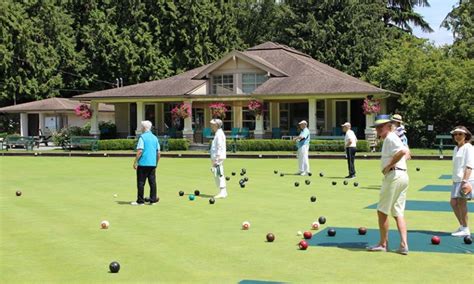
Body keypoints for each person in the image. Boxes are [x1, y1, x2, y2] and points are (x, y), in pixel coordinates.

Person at [367, 114, 410, 255]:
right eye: (377, 127)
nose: (378, 129)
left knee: (382, 210)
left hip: (394, 176)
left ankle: (383, 244)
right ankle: (404, 245)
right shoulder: (391, 138)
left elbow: (403, 152)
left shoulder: (391, 137)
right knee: (398, 212)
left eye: (381, 126)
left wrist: (389, 165)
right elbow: (406, 151)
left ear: (389, 126)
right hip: (402, 175)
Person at [449, 126, 473, 237]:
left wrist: (465, 181)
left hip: (465, 180)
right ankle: (463, 226)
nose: (457, 136)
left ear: (465, 136)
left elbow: (469, 166)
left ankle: (465, 229)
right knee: (453, 203)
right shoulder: (456, 148)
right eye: (456, 134)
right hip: (456, 180)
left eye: (460, 134)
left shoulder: (469, 147)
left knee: (462, 203)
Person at [132, 120, 160, 205]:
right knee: (152, 183)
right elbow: (158, 153)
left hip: (143, 164)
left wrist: (135, 162)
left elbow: (140, 151)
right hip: (152, 164)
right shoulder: (155, 138)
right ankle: (153, 200)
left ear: (144, 128)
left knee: (141, 182)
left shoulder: (142, 137)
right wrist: (156, 163)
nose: (141, 128)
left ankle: (140, 201)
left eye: (141, 127)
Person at [210, 118, 227, 199]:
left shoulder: (219, 134)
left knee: (219, 173)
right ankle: (223, 191)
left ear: (216, 125)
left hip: (218, 157)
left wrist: (217, 159)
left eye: (212, 124)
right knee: (217, 173)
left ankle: (223, 192)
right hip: (217, 157)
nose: (211, 126)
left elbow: (219, 147)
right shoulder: (218, 133)